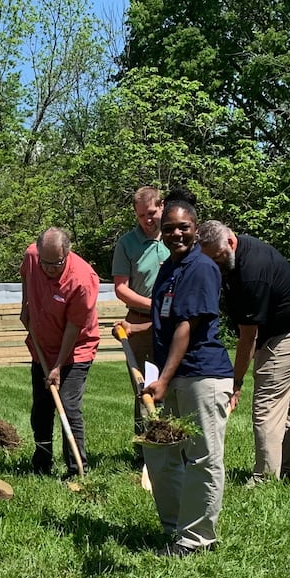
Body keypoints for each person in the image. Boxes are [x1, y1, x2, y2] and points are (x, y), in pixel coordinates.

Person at [143, 191, 232, 556]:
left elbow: (186, 326)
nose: (176, 234)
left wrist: (162, 380)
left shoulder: (200, 268)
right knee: (160, 454)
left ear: (195, 229)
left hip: (201, 375)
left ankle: (197, 540)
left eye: (184, 228)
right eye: (169, 229)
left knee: (202, 458)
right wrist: (133, 333)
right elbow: (164, 316)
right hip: (174, 373)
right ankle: (177, 528)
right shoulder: (169, 267)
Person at [196, 220, 290, 481]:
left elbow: (247, 338)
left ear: (231, 242)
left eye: (219, 257)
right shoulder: (234, 254)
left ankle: (264, 478)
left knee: (266, 405)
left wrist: (236, 383)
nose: (216, 264)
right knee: (287, 406)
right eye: (211, 260)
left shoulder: (251, 271)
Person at [19, 226, 100, 475]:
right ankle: (42, 463)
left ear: (68, 252)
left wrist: (57, 366)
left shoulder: (82, 280)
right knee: (41, 409)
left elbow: (74, 328)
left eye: (56, 264)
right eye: (45, 263)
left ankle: (77, 467)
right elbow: (26, 275)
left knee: (67, 404)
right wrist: (26, 306)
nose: (49, 269)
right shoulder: (33, 256)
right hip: (42, 344)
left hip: (75, 348)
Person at [113, 186, 169, 436]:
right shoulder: (127, 243)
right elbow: (121, 288)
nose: (147, 220)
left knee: (175, 382)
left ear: (162, 206)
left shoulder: (176, 236)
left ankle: (174, 439)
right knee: (144, 385)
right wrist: (154, 305)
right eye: (141, 216)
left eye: (151, 213)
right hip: (138, 324)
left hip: (174, 324)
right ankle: (146, 445)